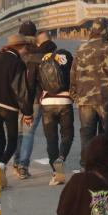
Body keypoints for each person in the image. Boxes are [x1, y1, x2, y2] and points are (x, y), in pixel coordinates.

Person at [0, 34, 34, 187]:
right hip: (9, 106)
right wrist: (27, 113)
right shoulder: (17, 63)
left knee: (0, 141)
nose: (26, 50)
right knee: (12, 141)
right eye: (25, 47)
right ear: (20, 47)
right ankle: (2, 166)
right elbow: (21, 90)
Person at [34, 30, 76, 186]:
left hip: (47, 102)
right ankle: (62, 157)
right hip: (65, 101)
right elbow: (74, 76)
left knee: (51, 138)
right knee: (67, 134)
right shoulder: (66, 55)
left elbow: (36, 81)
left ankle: (55, 171)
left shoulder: (42, 59)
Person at [73, 18, 108, 145]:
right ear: (107, 31)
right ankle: (104, 163)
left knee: (86, 134)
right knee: (105, 135)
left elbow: (73, 74)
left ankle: (86, 163)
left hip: (84, 98)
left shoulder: (80, 48)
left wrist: (75, 94)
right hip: (105, 97)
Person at [13, 20, 43, 180]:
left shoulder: (16, 53)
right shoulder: (40, 53)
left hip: (17, 97)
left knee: (17, 131)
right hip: (36, 98)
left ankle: (17, 162)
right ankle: (23, 166)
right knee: (28, 132)